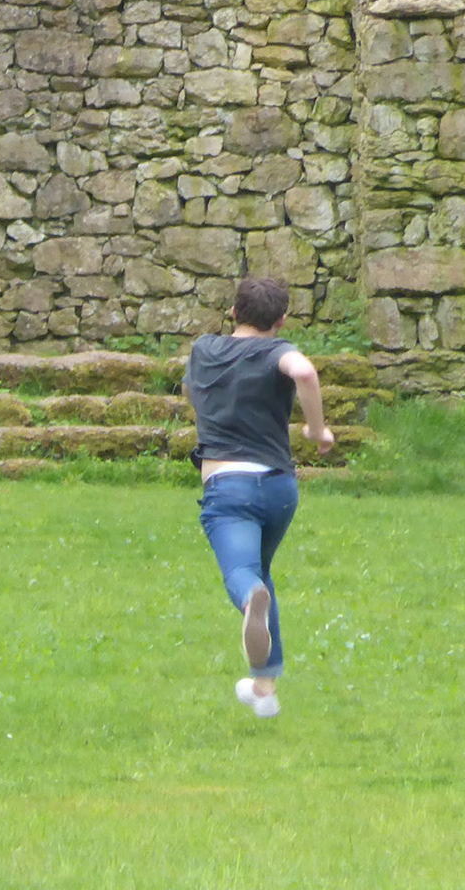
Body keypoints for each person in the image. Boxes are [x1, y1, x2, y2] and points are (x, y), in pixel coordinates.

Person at [183, 277, 332, 719]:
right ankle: (264, 688)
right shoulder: (276, 352)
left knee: (245, 577)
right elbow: (303, 371)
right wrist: (317, 430)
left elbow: (192, 391)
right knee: (261, 571)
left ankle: (250, 598)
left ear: (233, 312)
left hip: (228, 487)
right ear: (281, 320)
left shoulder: (204, 350)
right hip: (279, 487)